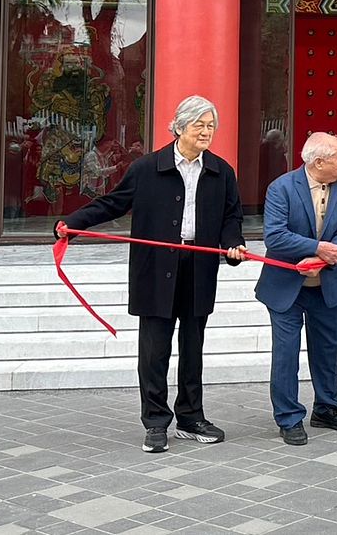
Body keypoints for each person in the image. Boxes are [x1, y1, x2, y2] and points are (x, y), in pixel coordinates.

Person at [56, 95, 246, 453]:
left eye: (210, 126)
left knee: (193, 347)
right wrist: (74, 224)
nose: (206, 132)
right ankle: (156, 422)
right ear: (179, 127)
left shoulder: (221, 171)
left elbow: (231, 216)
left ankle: (191, 417)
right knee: (154, 350)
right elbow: (113, 203)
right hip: (157, 269)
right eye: (199, 125)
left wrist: (233, 243)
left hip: (198, 268)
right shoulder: (147, 168)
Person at [255, 132, 337, 445]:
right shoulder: (282, 188)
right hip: (285, 285)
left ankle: (327, 407)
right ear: (319, 162)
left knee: (328, 348)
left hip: (327, 283)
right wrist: (317, 248)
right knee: (286, 353)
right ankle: (289, 417)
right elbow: (274, 236)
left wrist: (323, 258)